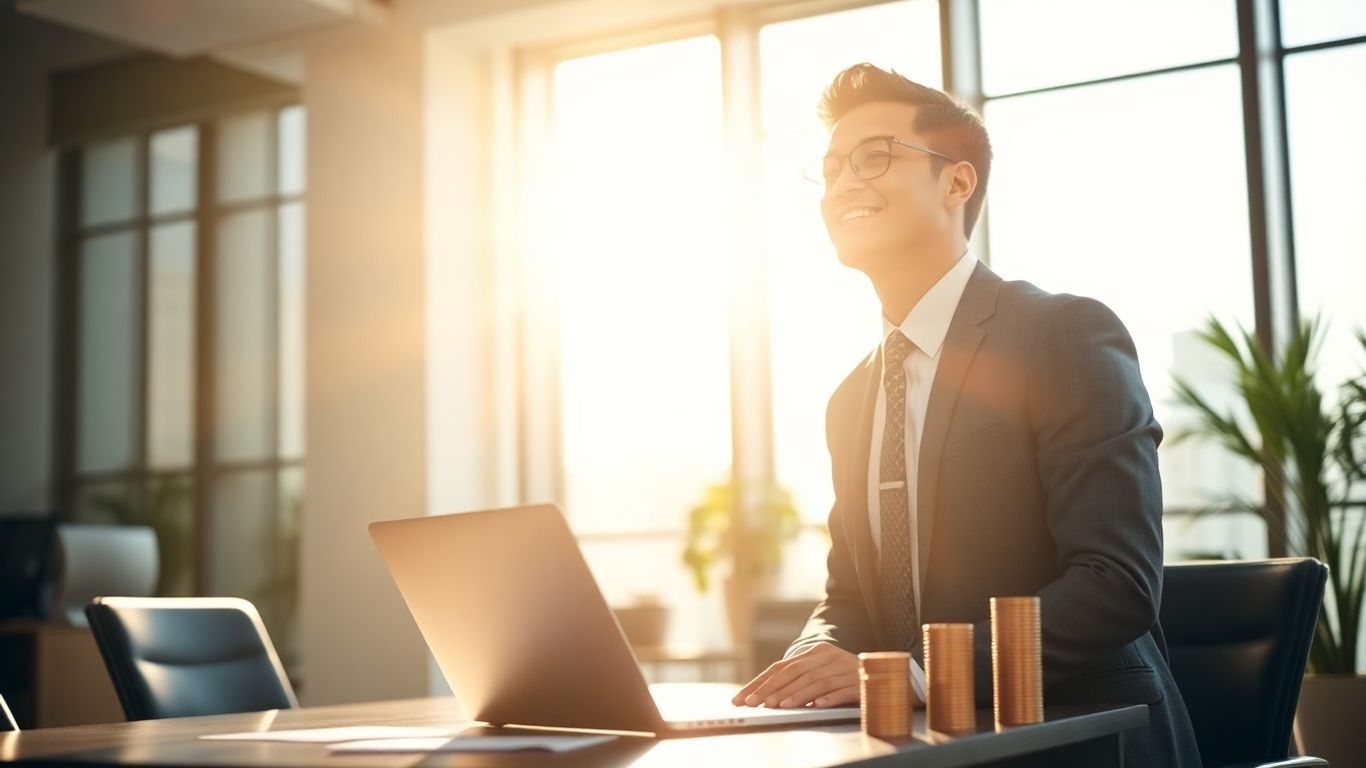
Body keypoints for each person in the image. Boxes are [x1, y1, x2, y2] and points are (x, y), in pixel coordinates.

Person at [731, 63, 1200, 767]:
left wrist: (922, 672)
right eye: (830, 170)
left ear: (956, 183)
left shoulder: (1063, 334)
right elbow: (849, 596)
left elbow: (1115, 582)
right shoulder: (850, 398)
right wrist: (812, 658)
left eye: (873, 157)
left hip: (1086, 739)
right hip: (926, 747)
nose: (843, 185)